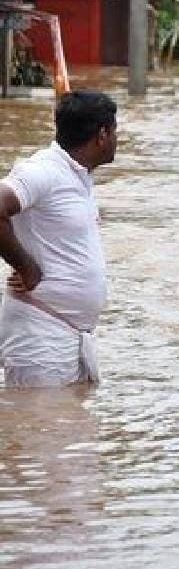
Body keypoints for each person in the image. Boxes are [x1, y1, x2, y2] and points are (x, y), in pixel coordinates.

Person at [0, 90, 118, 387]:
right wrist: (26, 267)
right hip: (40, 332)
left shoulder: (77, 175)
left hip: (73, 334)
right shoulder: (44, 170)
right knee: (40, 431)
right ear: (102, 135)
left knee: (72, 429)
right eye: (115, 130)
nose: (117, 138)